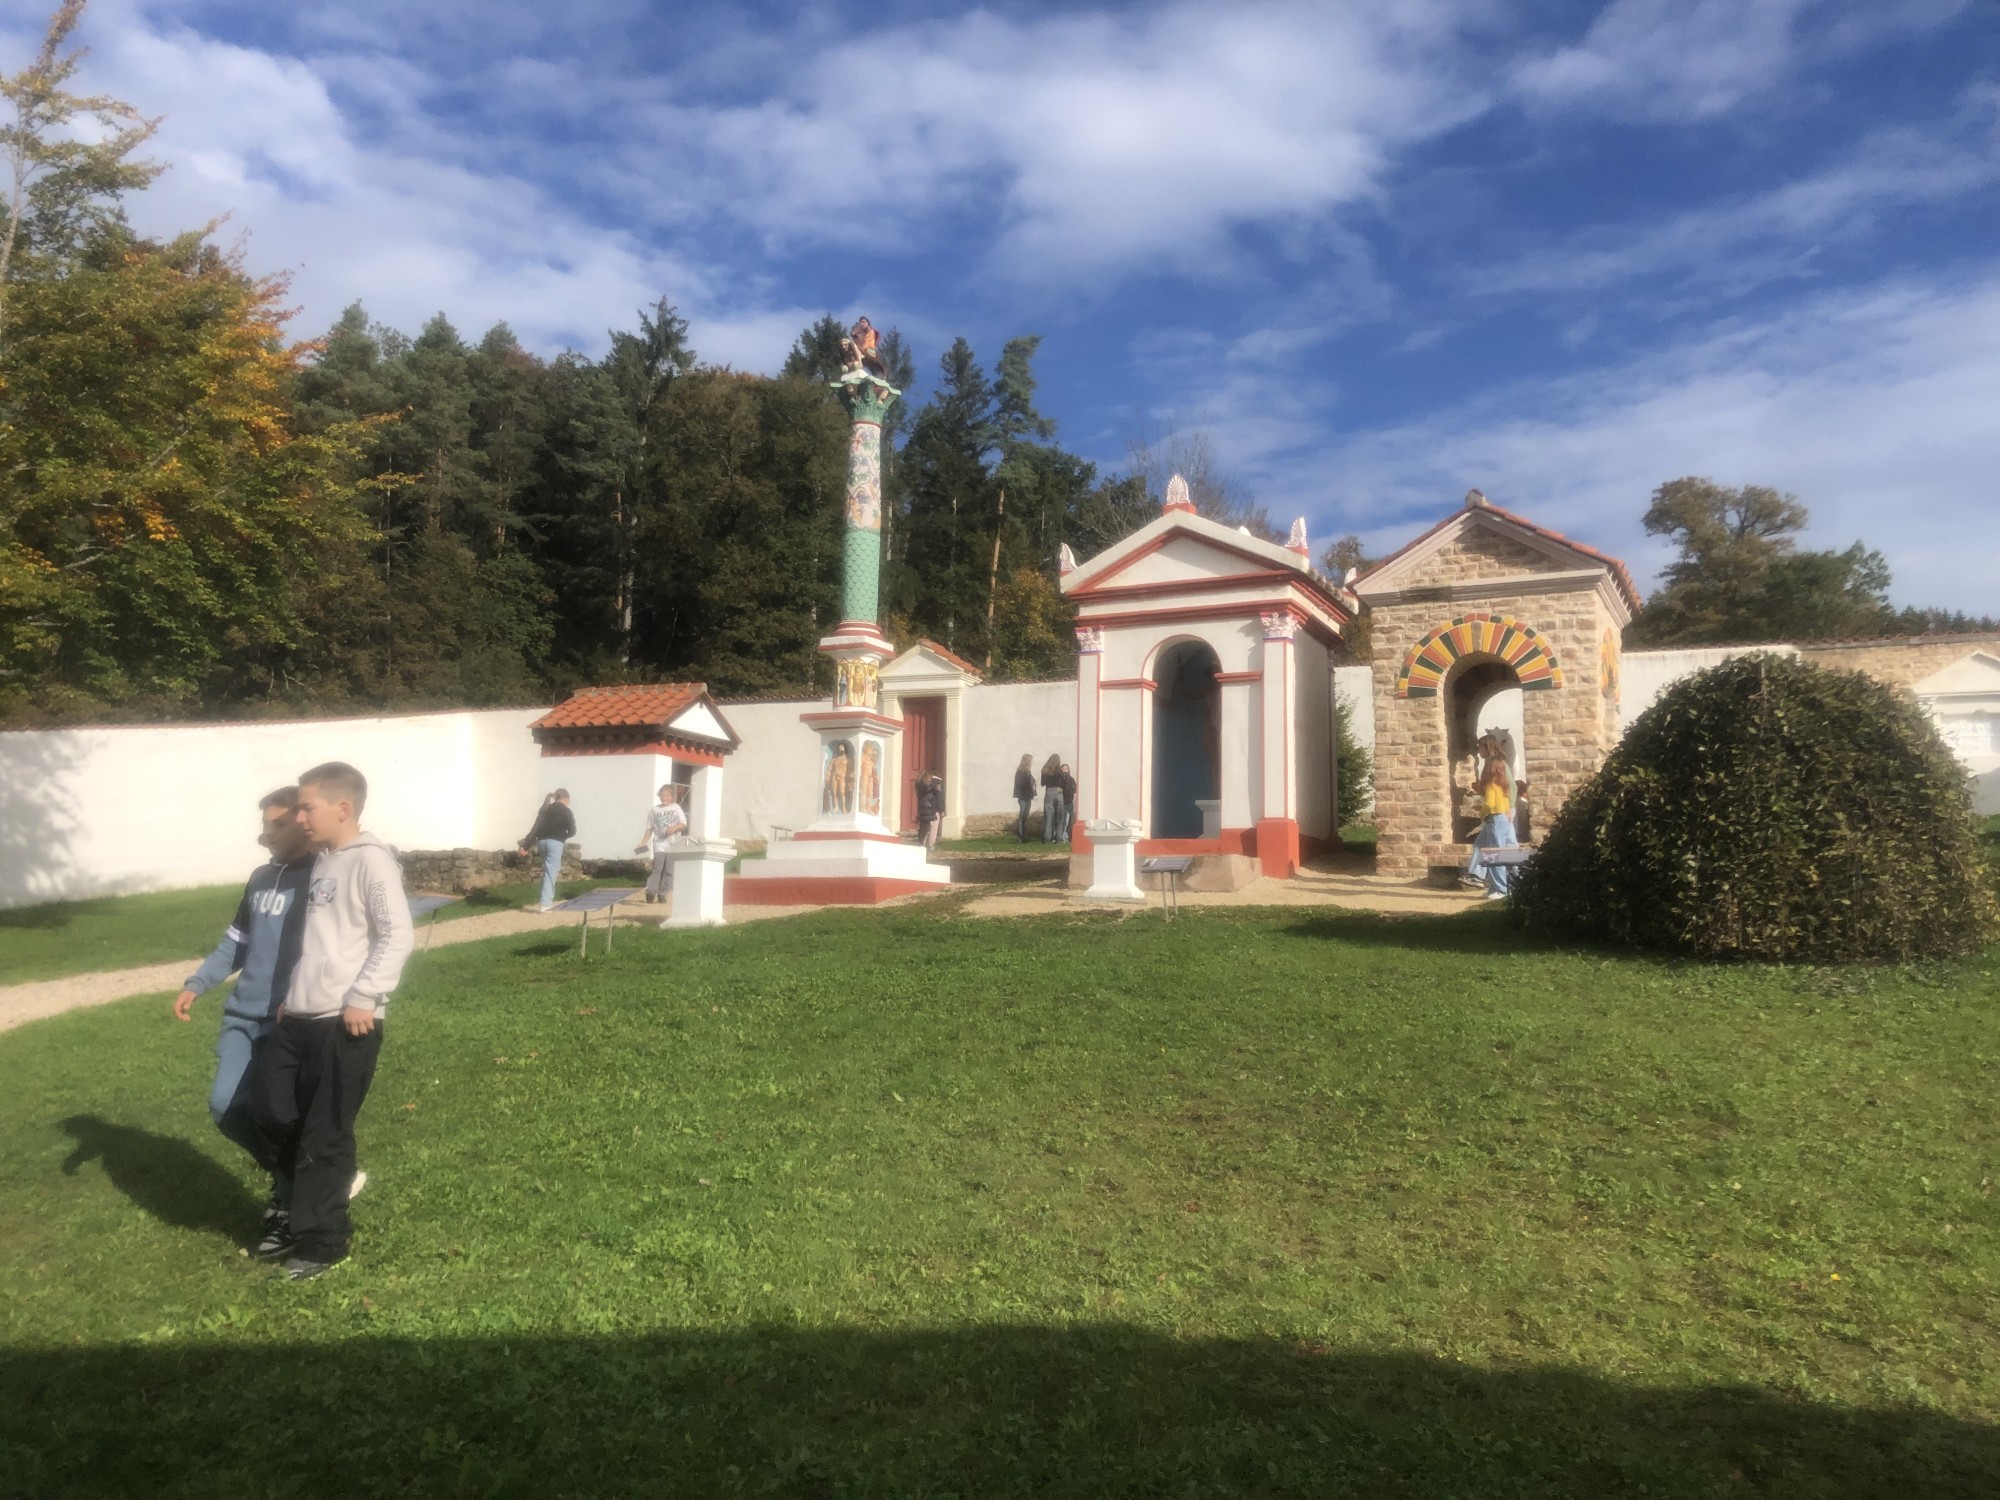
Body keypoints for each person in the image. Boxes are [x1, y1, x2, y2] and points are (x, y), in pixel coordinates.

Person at [250, 762, 414, 1281]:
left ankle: (323, 1243)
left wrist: (365, 996)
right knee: (267, 1108)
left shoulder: (372, 861)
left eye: (307, 808)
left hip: (347, 1022)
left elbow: (396, 934)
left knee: (325, 1132)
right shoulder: (324, 861)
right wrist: (293, 994)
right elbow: (319, 941)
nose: (299, 818)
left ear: (342, 809)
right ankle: (325, 1185)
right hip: (299, 1016)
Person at [172, 786, 320, 1253]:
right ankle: (303, 1176)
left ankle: (288, 1207)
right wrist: (198, 983)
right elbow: (236, 942)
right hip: (242, 1015)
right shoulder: (260, 879)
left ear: (303, 823)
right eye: (265, 824)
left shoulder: (323, 877)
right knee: (225, 1106)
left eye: (278, 824)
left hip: (290, 1019)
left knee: (275, 1113)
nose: (267, 833)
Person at [1459, 732, 1517, 900]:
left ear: (1488, 747)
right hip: (1499, 815)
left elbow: (1510, 789)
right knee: (1484, 846)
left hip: (1501, 815)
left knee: (1499, 853)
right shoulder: (1494, 766)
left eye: (1480, 747)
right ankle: (1479, 877)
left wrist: (1508, 809)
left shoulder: (1498, 765)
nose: (1478, 751)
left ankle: (1503, 887)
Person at [518, 790, 575, 913]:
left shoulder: (545, 809)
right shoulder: (566, 811)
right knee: (551, 872)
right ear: (566, 799)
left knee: (547, 870)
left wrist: (526, 846)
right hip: (556, 843)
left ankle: (545, 900)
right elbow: (572, 831)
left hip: (542, 842)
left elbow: (535, 829)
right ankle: (546, 904)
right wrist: (563, 836)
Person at [636, 782, 689, 904]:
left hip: (673, 844)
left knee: (669, 870)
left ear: (672, 796)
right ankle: (650, 892)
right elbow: (650, 828)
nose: (664, 798)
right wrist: (643, 842)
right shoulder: (655, 810)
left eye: (667, 796)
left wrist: (674, 828)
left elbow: (683, 824)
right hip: (659, 843)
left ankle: (663, 893)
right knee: (657, 868)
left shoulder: (676, 808)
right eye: (662, 795)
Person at [914, 772, 944, 852]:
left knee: (924, 828)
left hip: (925, 810)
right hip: (930, 810)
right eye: (930, 778)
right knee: (931, 828)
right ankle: (928, 845)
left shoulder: (921, 786)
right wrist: (941, 809)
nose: (931, 780)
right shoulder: (927, 787)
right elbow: (937, 798)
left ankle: (922, 844)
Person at [1040, 754, 1065, 843]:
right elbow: (1063, 783)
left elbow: (1042, 784)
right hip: (1059, 791)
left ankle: (1047, 838)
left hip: (1049, 791)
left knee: (1048, 815)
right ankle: (1059, 837)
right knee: (1059, 816)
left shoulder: (1045, 770)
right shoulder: (1060, 771)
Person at [1013, 754, 1037, 842]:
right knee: (1022, 816)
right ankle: (1020, 837)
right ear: (1027, 761)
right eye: (1031, 760)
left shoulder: (1028, 771)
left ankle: (1023, 836)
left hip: (1028, 796)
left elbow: (1031, 782)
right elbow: (1020, 784)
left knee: (1025, 817)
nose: (1032, 762)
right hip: (1022, 797)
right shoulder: (1020, 771)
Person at [1055, 762, 1078, 842]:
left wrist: (1068, 789)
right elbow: (1059, 789)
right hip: (1061, 801)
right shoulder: (1059, 778)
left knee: (1067, 820)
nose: (1065, 770)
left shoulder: (1071, 779)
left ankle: (1065, 836)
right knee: (1060, 819)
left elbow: (1074, 789)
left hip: (1069, 801)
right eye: (1063, 768)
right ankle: (1058, 835)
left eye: (1066, 768)